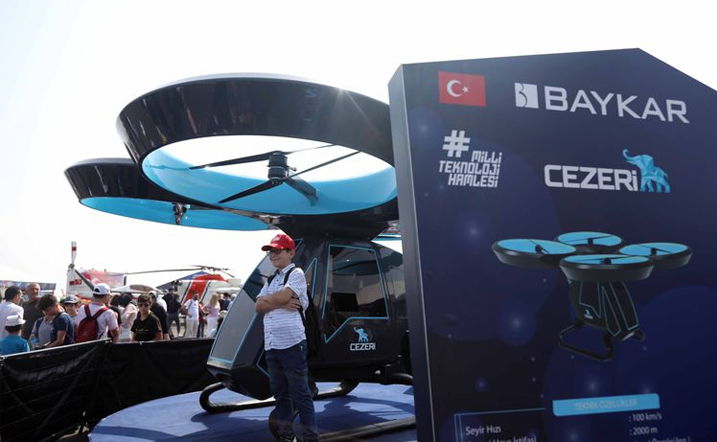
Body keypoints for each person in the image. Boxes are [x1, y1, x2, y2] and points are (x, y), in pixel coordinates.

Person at [255, 233, 317, 442]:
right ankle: (286, 436)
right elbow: (258, 306)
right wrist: (281, 302)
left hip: (292, 344)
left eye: (277, 250)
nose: (272, 255)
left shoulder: (296, 273)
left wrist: (272, 300)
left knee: (301, 394)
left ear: (291, 253)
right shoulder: (272, 279)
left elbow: (277, 298)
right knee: (281, 394)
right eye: (271, 252)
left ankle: (310, 438)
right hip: (273, 345)